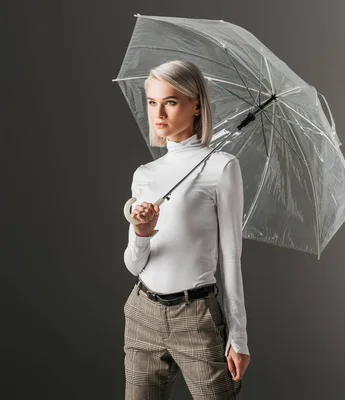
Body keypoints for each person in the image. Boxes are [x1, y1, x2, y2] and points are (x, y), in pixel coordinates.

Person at [122, 60, 250, 399]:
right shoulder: (145, 174)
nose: (158, 112)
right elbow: (134, 265)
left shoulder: (221, 167)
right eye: (152, 102)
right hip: (142, 313)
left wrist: (239, 337)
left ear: (196, 105)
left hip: (195, 318)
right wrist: (141, 232)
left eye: (171, 101)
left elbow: (231, 256)